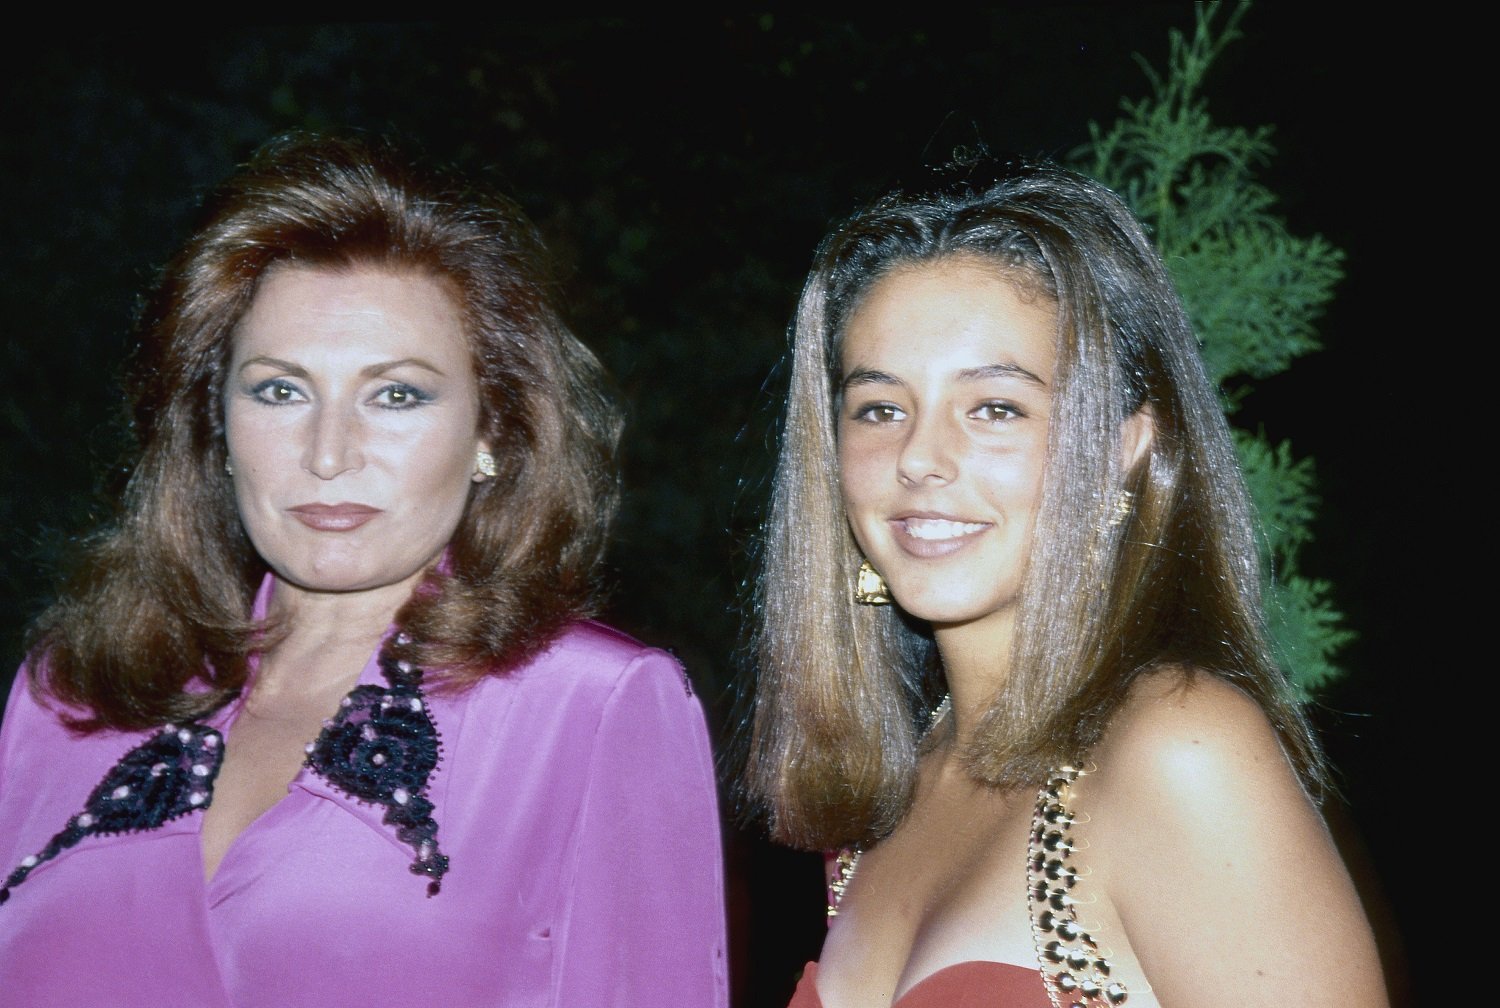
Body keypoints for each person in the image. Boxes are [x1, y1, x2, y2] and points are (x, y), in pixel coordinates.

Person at [0, 133, 728, 1007]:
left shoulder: (595, 707)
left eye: (396, 395)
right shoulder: (71, 695)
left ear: (491, 433)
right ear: (214, 427)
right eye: (280, 390)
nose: (329, 452)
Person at [744, 160, 1386, 1007]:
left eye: (995, 408)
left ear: (1126, 448)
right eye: (880, 408)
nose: (919, 459)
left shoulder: (1180, 752)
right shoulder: (893, 791)